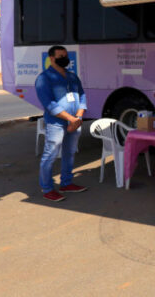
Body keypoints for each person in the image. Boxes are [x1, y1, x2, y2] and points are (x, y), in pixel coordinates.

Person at [34, 46, 88, 202]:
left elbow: (82, 96)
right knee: (50, 155)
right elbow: (49, 104)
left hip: (75, 121)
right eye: (60, 56)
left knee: (69, 154)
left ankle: (66, 183)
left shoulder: (72, 76)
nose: (64, 58)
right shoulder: (44, 78)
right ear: (51, 58)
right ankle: (47, 188)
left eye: (65, 55)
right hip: (56, 124)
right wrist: (72, 120)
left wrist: (78, 117)